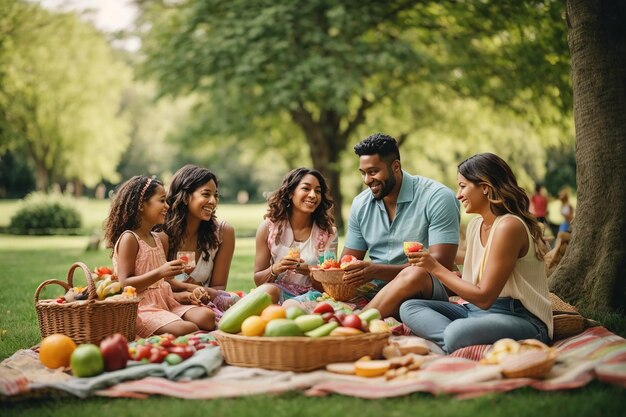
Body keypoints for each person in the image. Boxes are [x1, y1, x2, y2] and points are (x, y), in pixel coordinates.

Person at [399, 153, 553, 354]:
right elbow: (480, 274)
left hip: (520, 318)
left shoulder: (509, 226)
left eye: (463, 186)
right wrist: (437, 261)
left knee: (456, 332)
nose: (458, 194)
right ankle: (455, 342)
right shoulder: (476, 225)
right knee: (409, 307)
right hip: (474, 311)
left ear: (485, 188)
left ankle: (453, 341)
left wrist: (434, 267)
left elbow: (485, 297)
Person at [341, 133, 460, 318]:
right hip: (377, 288)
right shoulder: (360, 204)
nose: (366, 180)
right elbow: (347, 262)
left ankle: (356, 325)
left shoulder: (437, 197)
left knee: (414, 274)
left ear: (395, 166)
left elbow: (440, 265)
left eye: (373, 172)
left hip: (428, 285)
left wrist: (376, 271)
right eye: (363, 173)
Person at [103, 175, 215, 337]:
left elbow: (165, 281)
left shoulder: (156, 238)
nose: (167, 206)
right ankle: (147, 332)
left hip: (165, 302)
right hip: (142, 309)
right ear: (142, 205)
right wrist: (161, 272)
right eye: (162, 200)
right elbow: (124, 283)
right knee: (188, 329)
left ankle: (168, 327)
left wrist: (189, 289)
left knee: (207, 317)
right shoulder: (129, 238)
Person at [160, 165, 238, 313]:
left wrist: (200, 293)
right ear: (185, 196)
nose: (213, 201)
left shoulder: (223, 233)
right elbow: (153, 288)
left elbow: (219, 289)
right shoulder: (161, 233)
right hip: (166, 305)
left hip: (203, 306)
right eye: (206, 194)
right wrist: (185, 293)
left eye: (215, 195)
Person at [253, 167, 337, 304]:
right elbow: (258, 280)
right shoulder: (268, 228)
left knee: (291, 306)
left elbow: (330, 285)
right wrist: (275, 269)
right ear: (291, 193)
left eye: (318, 191)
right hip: (276, 292)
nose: (312, 195)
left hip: (311, 297)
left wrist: (310, 271)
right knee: (267, 291)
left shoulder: (327, 233)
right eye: (306, 188)